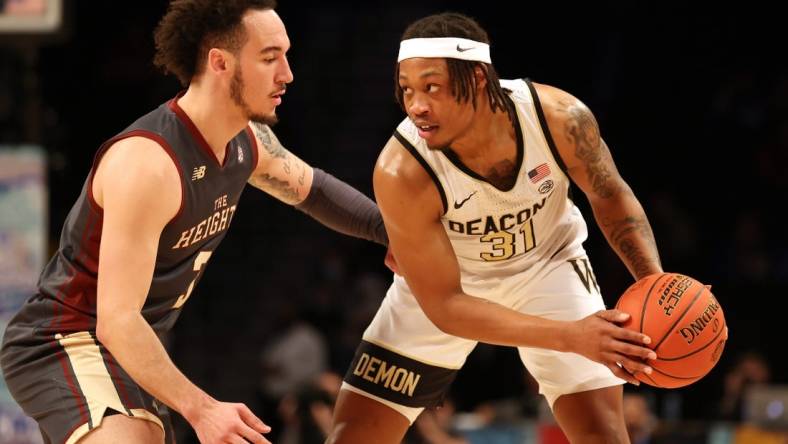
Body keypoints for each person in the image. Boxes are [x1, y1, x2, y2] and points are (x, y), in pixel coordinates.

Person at [0, 1, 387, 443]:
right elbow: (116, 320)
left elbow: (314, 191)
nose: (287, 74)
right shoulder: (148, 163)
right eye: (269, 57)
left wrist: (398, 237)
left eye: (286, 54)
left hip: (125, 348)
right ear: (219, 62)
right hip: (66, 341)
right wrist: (203, 409)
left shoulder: (247, 142)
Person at [329, 12, 662, 444]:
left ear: (480, 79)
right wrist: (572, 336)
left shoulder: (560, 118)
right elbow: (445, 305)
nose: (416, 106)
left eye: (431, 87)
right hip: (450, 283)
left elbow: (611, 198)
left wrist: (657, 287)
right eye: (407, 90)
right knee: (353, 436)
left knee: (603, 434)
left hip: (549, 265)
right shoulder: (402, 170)